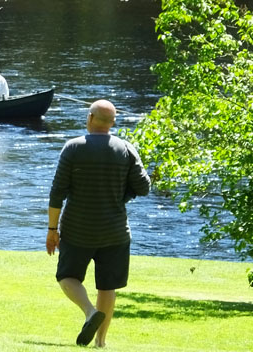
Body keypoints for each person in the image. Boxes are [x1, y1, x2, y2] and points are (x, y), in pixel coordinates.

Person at [46, 100, 151, 347]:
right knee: (107, 286)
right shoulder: (126, 149)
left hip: (77, 229)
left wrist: (52, 229)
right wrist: (123, 195)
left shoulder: (73, 147)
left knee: (67, 276)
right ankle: (100, 342)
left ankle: (90, 312)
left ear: (90, 118)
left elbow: (57, 192)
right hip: (115, 231)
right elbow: (144, 187)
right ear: (112, 122)